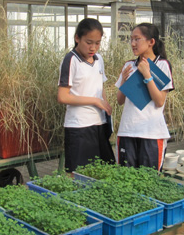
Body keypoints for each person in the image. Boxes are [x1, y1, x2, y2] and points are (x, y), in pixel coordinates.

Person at [57, 18, 115, 172]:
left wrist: (105, 105)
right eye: (89, 42)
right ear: (77, 38)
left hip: (99, 123)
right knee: (77, 174)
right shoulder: (71, 60)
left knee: (104, 171)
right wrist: (95, 101)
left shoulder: (99, 59)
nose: (93, 47)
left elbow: (100, 86)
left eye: (97, 43)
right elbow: (63, 96)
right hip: (79, 126)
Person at [115, 23, 174, 171]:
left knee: (149, 179)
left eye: (137, 39)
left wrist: (147, 75)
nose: (133, 43)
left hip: (151, 133)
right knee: (126, 177)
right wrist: (123, 81)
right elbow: (120, 100)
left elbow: (159, 101)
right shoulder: (129, 65)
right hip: (127, 131)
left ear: (151, 42)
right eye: (131, 39)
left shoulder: (162, 65)